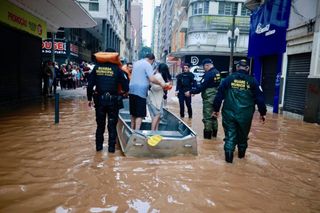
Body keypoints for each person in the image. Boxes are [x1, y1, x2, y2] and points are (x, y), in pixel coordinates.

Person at [212, 59, 267, 163]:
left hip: (229, 113)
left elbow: (219, 95)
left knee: (230, 136)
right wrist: (262, 113)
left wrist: (216, 109)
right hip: (245, 115)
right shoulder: (253, 81)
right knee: (243, 136)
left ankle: (228, 163)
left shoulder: (228, 79)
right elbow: (260, 99)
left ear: (237, 67)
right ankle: (241, 159)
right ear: (247, 68)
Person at [87, 48, 129, 153]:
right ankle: (111, 149)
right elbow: (126, 87)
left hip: (99, 101)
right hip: (113, 101)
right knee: (112, 125)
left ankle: (98, 148)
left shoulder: (96, 68)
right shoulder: (118, 69)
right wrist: (122, 93)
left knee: (100, 125)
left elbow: (90, 85)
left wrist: (89, 99)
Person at [129, 53, 169, 130]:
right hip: (140, 92)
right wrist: (161, 83)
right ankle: (137, 132)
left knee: (133, 113)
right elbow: (152, 79)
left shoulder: (136, 63)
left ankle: (131, 129)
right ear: (152, 60)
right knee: (140, 114)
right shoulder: (147, 65)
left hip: (131, 91)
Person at [185, 58, 221, 139]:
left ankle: (207, 138)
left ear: (207, 65)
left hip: (209, 98)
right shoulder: (217, 72)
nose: (204, 69)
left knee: (207, 118)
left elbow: (202, 87)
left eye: (204, 67)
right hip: (216, 97)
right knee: (214, 116)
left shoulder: (209, 74)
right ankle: (214, 136)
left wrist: (191, 92)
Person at [147, 66, 166, 130]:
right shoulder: (158, 76)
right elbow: (155, 87)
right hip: (155, 99)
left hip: (154, 98)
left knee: (156, 116)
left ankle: (156, 131)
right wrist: (165, 85)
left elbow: (152, 85)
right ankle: (152, 131)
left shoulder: (155, 76)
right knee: (157, 115)